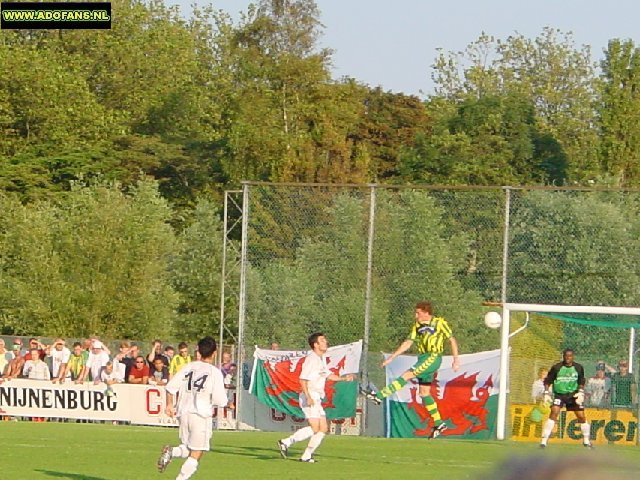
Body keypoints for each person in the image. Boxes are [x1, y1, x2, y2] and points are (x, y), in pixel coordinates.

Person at [363, 301, 459, 439]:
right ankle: (439, 423)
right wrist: (392, 357)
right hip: (422, 357)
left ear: (426, 312)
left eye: (418, 313)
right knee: (424, 393)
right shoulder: (417, 326)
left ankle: (379, 396)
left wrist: (456, 359)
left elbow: (452, 340)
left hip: (433, 357)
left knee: (407, 375)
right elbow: (408, 342)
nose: (416, 316)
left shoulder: (439, 323)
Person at [156, 336, 229, 479]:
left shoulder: (188, 367)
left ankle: (172, 452)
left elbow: (170, 387)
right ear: (214, 353)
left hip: (183, 413)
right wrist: (226, 403)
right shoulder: (214, 372)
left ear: (199, 351)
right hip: (200, 415)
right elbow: (220, 400)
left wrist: (170, 404)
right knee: (197, 452)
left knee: (189, 447)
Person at [277, 332, 355, 463]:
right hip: (310, 394)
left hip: (316, 396)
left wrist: (344, 378)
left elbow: (328, 375)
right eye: (323, 340)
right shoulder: (311, 359)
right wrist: (308, 396)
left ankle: (307, 455)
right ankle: (286, 442)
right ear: (316, 344)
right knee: (315, 427)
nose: (326, 342)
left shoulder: (321, 358)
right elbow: (302, 379)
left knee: (323, 428)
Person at [539, 348, 592, 449]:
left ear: (573, 357)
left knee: (581, 416)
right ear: (563, 356)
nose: (568, 358)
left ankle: (586, 440)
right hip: (560, 394)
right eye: (566, 356)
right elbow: (547, 381)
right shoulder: (557, 367)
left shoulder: (578, 367)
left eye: (570, 356)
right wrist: (546, 393)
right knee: (554, 411)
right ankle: (544, 441)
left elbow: (581, 381)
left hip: (573, 395)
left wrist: (580, 392)